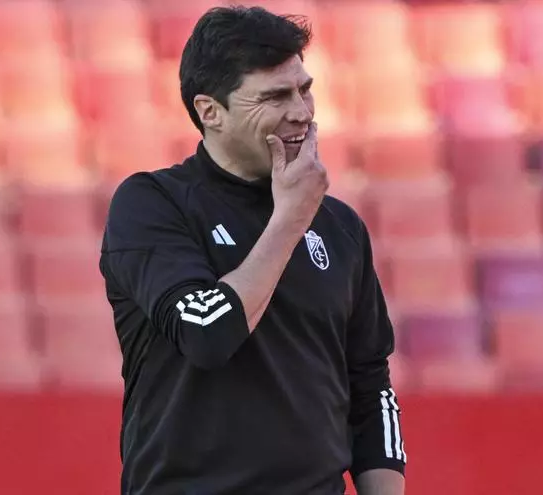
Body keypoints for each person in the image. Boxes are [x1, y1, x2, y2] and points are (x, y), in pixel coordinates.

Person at [99, 5, 405, 495]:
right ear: (210, 111)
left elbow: (371, 385)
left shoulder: (340, 227)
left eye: (304, 89)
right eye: (275, 96)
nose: (302, 111)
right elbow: (207, 335)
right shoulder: (153, 204)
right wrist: (290, 221)